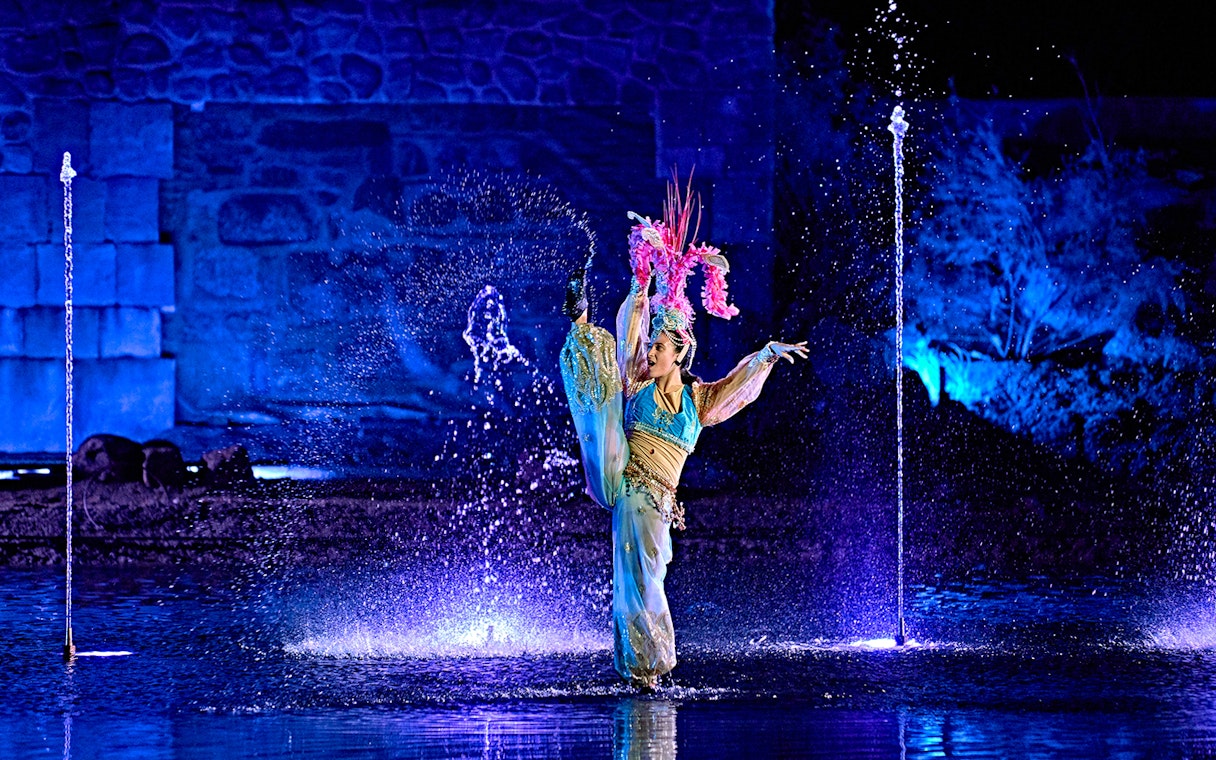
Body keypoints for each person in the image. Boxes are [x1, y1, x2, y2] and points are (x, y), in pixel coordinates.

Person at [559, 176, 807, 690]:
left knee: (650, 577)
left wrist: (766, 355)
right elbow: (629, 333)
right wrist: (640, 285)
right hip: (629, 489)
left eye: (658, 349)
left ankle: (648, 667)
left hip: (662, 504)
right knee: (636, 581)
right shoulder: (636, 384)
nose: (650, 353)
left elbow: (736, 390)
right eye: (649, 347)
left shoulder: (698, 400)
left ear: (680, 353)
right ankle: (644, 671)